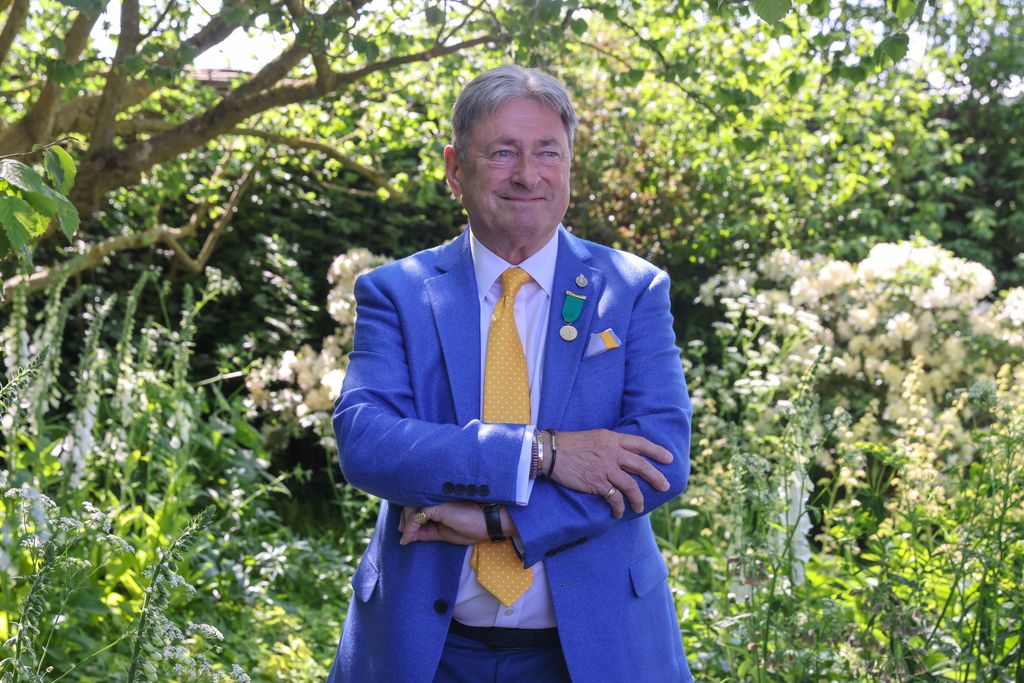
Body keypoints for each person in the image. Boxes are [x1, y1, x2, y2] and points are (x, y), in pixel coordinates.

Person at [327, 65, 694, 682]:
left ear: (570, 164)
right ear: (454, 169)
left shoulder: (631, 291)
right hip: (425, 652)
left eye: (546, 152)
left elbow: (660, 460)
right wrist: (538, 453)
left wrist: (504, 523)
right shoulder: (399, 293)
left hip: (595, 652)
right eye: (502, 153)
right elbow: (367, 442)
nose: (528, 174)